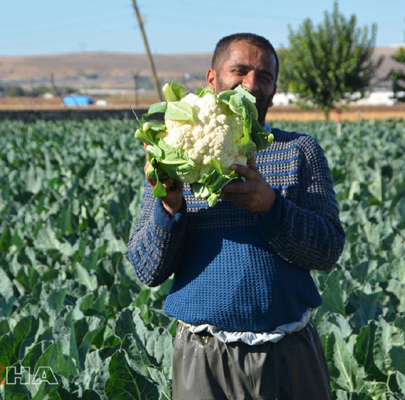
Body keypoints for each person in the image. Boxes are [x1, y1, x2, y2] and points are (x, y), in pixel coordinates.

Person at [128, 32, 345, 400]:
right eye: (239, 71)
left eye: (264, 77)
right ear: (212, 79)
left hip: (289, 350)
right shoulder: (175, 153)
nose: (251, 85)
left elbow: (328, 250)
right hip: (204, 357)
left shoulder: (299, 152)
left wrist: (271, 207)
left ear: (274, 90)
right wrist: (169, 207)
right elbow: (147, 269)